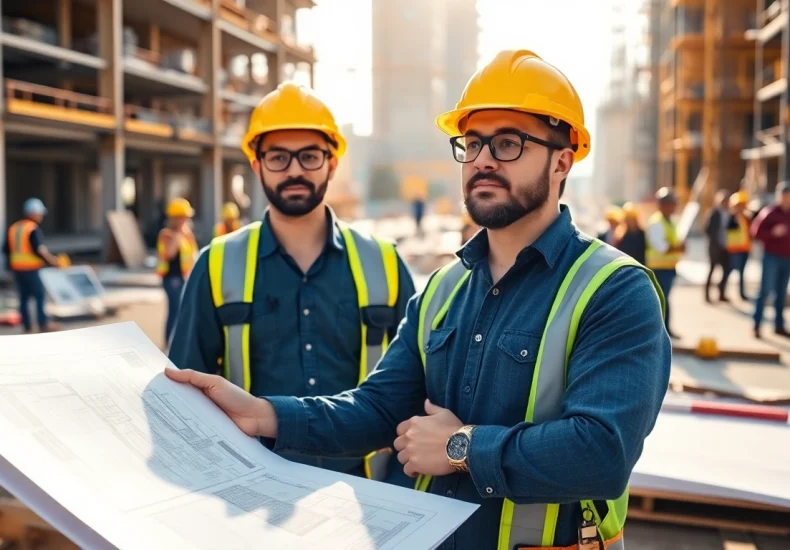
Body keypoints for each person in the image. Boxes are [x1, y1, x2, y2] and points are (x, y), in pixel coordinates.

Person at [167, 50, 671, 550]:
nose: (484, 160)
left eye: (509, 143)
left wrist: (462, 448)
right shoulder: (443, 289)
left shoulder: (614, 289)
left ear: (563, 160)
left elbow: (603, 453)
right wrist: (263, 415)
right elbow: (380, 407)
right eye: (472, 144)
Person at [167, 82, 417, 484]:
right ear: (257, 164)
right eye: (279, 157)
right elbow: (185, 396)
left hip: (366, 491)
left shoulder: (383, 261)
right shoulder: (217, 263)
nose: (295, 170)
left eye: (310, 156)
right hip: (252, 491)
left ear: (332, 164)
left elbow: (419, 390)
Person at [2, 198, 62, 334]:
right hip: (30, 269)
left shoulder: (14, 227)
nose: (41, 216)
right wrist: (52, 261)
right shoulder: (32, 229)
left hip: (17, 270)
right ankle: (42, 323)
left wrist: (8, 268)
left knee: (23, 298)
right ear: (33, 213)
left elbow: (6, 249)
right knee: (39, 296)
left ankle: (27, 326)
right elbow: (39, 250)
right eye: (39, 213)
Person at [156, 197, 198, 346]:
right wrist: (178, 236)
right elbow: (170, 254)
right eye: (183, 217)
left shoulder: (187, 234)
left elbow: (193, 255)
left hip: (183, 277)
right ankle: (169, 345)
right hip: (171, 278)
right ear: (175, 218)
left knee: (184, 312)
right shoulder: (166, 234)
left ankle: (179, 343)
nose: (185, 220)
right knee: (174, 311)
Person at [751, 182, 790, 339]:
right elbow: (755, 232)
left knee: (781, 293)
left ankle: (779, 325)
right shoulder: (769, 212)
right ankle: (756, 325)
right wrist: (772, 233)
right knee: (765, 291)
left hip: (787, 258)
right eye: (784, 197)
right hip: (771, 257)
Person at [646, 187, 684, 338]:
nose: (673, 207)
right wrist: (677, 247)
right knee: (661, 301)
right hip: (658, 268)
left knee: (665, 300)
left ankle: (663, 330)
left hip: (669, 267)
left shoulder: (671, 222)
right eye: (670, 204)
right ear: (662, 205)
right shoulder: (656, 222)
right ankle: (662, 331)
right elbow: (661, 247)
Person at [722, 191, 751, 301]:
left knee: (742, 273)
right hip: (734, 250)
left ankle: (742, 293)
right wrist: (736, 219)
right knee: (729, 271)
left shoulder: (746, 218)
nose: (741, 207)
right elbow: (728, 229)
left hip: (745, 249)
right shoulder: (731, 218)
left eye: (743, 205)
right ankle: (722, 291)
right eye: (739, 205)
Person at [703, 190, 731, 303]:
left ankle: (721, 293)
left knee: (726, 271)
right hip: (715, 247)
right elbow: (707, 229)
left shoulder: (730, 213)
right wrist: (715, 240)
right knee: (712, 270)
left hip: (727, 247)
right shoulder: (714, 213)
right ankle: (707, 295)